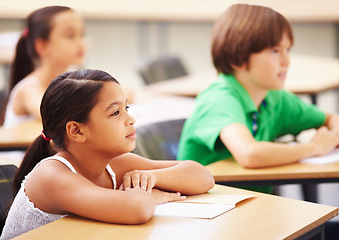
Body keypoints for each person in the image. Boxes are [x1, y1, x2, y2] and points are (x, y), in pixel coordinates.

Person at [0, 69, 214, 240]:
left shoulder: (114, 165)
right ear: (77, 131)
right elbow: (138, 208)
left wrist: (153, 178)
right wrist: (146, 194)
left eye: (127, 108)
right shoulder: (51, 175)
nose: (131, 119)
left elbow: (203, 177)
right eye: (115, 113)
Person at [177, 4, 339, 194]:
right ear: (237, 58)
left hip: (249, 206)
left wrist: (333, 135)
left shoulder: (274, 97)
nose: (286, 61)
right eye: (275, 51)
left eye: (288, 50)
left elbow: (329, 118)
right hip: (209, 212)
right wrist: (314, 147)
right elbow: (249, 154)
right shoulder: (220, 99)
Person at [2, 6, 85, 127]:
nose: (81, 43)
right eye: (70, 35)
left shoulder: (72, 83)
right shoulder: (28, 90)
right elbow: (56, 117)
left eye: (82, 34)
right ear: (42, 46)